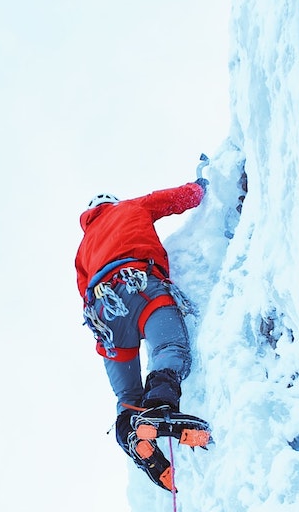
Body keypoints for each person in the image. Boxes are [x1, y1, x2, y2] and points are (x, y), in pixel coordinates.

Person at [75, 179, 212, 491]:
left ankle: (133, 436)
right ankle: (160, 409)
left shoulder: (83, 249)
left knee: (127, 396)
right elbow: (171, 200)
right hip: (139, 286)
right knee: (169, 348)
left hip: (105, 315)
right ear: (111, 202)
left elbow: (83, 291)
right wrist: (202, 187)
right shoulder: (130, 207)